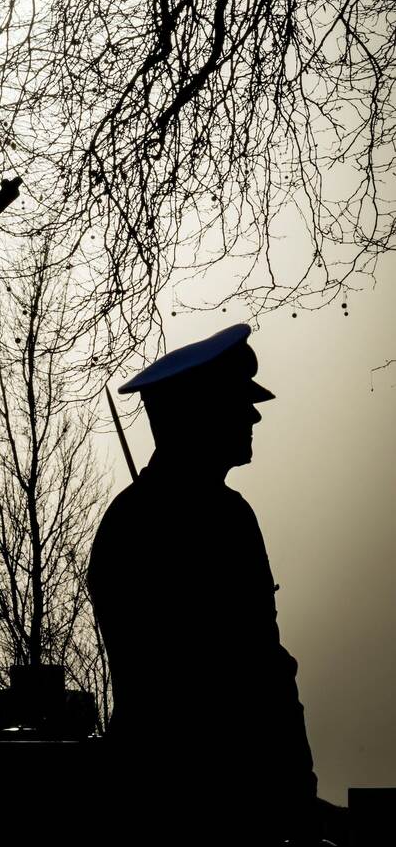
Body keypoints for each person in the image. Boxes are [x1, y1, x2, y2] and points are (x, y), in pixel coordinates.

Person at [88, 324, 320, 844]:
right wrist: (296, 795)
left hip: (161, 795)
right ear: (198, 413)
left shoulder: (135, 518)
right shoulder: (220, 521)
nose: (254, 415)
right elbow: (259, 672)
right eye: (238, 402)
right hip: (209, 802)